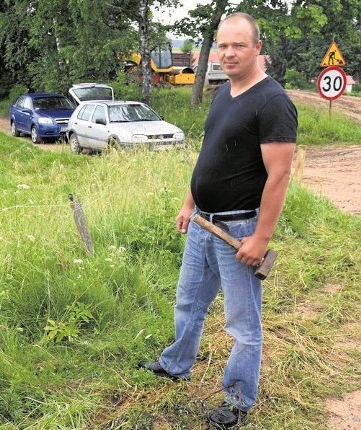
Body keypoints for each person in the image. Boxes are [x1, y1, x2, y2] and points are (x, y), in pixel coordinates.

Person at [138, 12, 298, 429]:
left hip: (238, 231)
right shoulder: (225, 93)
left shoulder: (273, 102)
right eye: (223, 45)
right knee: (188, 301)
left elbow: (279, 175)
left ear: (257, 48)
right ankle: (176, 364)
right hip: (203, 224)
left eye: (238, 45)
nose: (228, 53)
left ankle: (240, 399)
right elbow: (210, 156)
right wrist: (189, 203)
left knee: (242, 323)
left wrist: (261, 237)